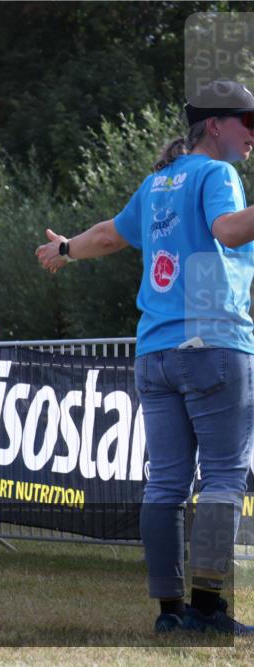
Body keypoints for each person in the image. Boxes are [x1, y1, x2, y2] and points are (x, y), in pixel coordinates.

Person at [35, 80, 254, 635]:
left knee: (165, 485)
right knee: (224, 480)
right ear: (215, 126)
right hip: (215, 347)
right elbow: (228, 231)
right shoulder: (217, 174)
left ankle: (169, 614)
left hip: (155, 351)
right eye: (248, 123)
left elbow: (109, 236)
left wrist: (64, 249)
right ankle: (208, 610)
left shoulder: (159, 182)